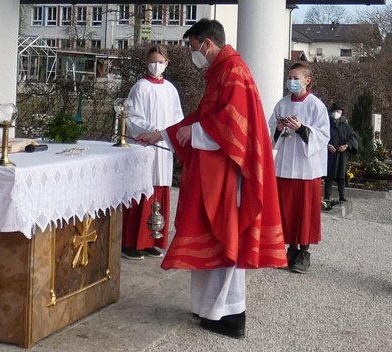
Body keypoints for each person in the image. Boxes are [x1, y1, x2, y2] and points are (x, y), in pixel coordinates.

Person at [135, 19, 286, 339]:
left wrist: (195, 132)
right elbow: (201, 117)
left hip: (230, 174)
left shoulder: (234, 71)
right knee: (214, 237)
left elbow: (233, 124)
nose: (193, 55)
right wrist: (160, 134)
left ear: (206, 43)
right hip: (215, 172)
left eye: (193, 48)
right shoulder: (221, 71)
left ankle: (231, 315)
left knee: (227, 238)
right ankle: (209, 308)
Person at [123, 45, 185, 260]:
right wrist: (151, 130)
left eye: (160, 61)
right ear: (146, 62)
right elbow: (131, 116)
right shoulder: (140, 87)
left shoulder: (170, 89)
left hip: (164, 146)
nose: (156, 65)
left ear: (167, 64)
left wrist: (171, 134)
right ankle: (131, 242)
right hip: (145, 144)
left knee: (160, 190)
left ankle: (151, 240)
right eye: (153, 61)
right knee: (141, 190)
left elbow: (178, 117)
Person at [269, 63, 331, 274]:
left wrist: (302, 129)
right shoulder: (282, 103)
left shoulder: (316, 106)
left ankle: (304, 251)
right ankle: (290, 248)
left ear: (307, 80)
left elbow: (323, 136)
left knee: (304, 212)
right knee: (286, 210)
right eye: (290, 77)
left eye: (296, 78)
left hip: (307, 168)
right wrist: (278, 128)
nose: (291, 82)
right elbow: (269, 131)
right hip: (285, 165)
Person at [325, 103, 358, 204]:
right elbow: (321, 136)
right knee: (328, 176)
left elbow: (353, 137)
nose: (336, 113)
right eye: (334, 111)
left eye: (338, 112)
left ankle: (342, 196)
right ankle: (327, 196)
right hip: (329, 154)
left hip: (341, 154)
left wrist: (346, 146)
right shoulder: (326, 124)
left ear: (341, 113)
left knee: (341, 176)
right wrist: (327, 145)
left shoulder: (346, 126)